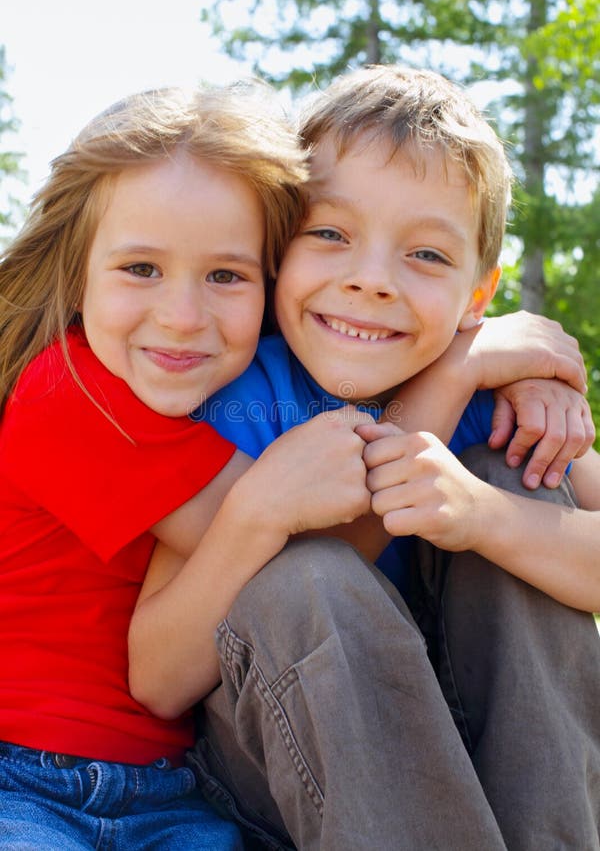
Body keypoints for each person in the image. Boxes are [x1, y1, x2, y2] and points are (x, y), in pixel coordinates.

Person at [129, 67, 600, 850]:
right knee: (306, 575)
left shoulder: (502, 403)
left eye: (424, 255)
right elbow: (157, 678)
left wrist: (484, 516)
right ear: (277, 249)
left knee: (511, 478)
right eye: (331, 235)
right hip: (285, 764)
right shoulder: (239, 399)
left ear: (478, 299)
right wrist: (447, 384)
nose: (370, 280)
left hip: (484, 759)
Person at [0, 82, 381, 849]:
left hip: (176, 795)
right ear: (77, 274)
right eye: (141, 268)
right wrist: (456, 376)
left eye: (226, 276)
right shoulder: (66, 394)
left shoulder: (238, 397)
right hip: (24, 780)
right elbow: (322, 546)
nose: (182, 315)